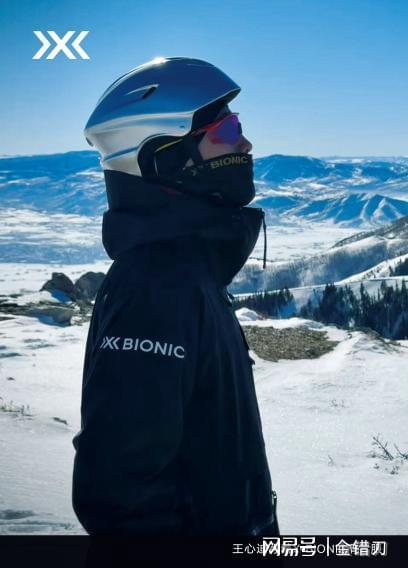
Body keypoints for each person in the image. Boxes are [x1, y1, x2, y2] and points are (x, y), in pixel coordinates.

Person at [71, 56, 280, 537]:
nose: (245, 143)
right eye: (227, 131)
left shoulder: (189, 271)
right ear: (166, 155)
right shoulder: (156, 286)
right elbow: (120, 496)